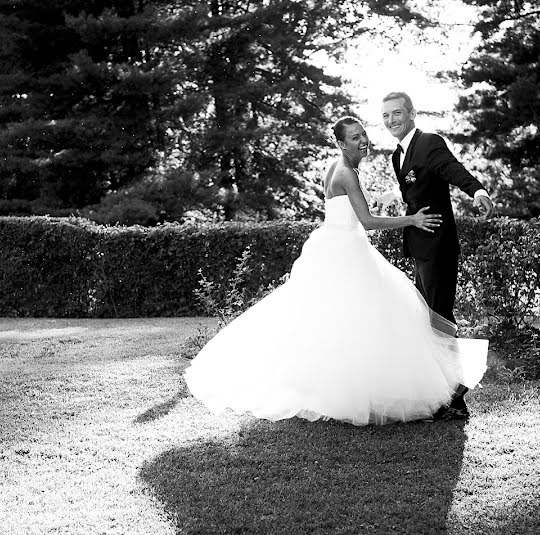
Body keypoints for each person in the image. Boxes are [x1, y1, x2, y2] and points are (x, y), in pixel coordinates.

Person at [183, 117, 488, 426]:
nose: (363, 140)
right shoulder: (346, 174)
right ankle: (372, 390)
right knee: (375, 319)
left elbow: (342, 211)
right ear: (342, 144)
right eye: (355, 138)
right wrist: (411, 220)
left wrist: (391, 197)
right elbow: (367, 222)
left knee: (341, 321)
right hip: (348, 250)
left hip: (332, 243)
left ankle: (353, 385)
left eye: (364, 134)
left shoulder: (335, 168)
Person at [382, 91, 494, 420]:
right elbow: (412, 195)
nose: (391, 120)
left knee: (440, 319)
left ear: (412, 113)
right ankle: (438, 394)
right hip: (418, 247)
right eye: (386, 115)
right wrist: (392, 196)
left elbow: (452, 169)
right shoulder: (396, 156)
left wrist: (477, 190)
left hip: (439, 247)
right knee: (427, 319)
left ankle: (455, 400)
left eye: (397, 113)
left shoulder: (430, 143)